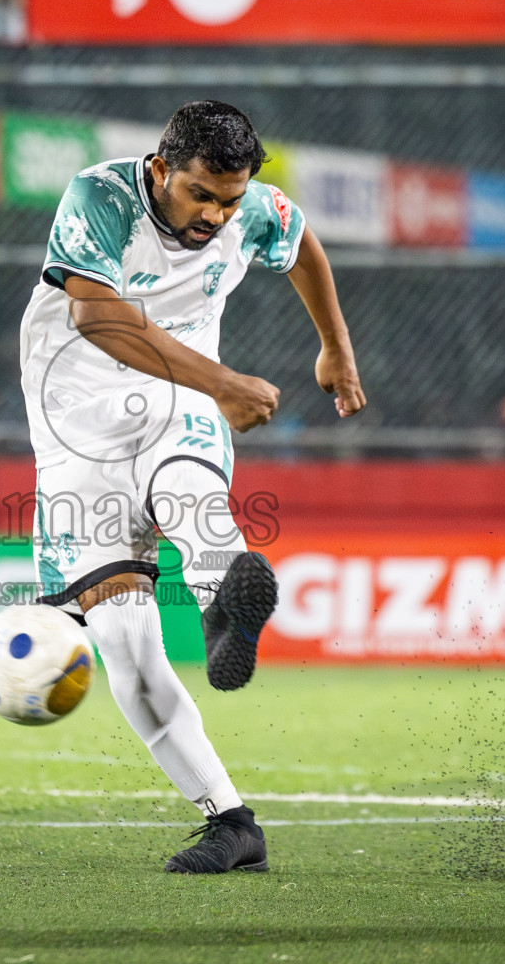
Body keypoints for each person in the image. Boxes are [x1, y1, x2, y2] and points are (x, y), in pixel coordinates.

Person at [19, 100, 365, 874]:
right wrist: (228, 382)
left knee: (187, 477)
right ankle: (231, 824)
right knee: (126, 651)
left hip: (176, 395)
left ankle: (223, 602)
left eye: (230, 200)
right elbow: (98, 318)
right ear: (161, 168)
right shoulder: (101, 197)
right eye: (201, 195)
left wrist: (334, 349)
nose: (215, 215)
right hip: (74, 424)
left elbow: (300, 241)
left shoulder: (252, 211)